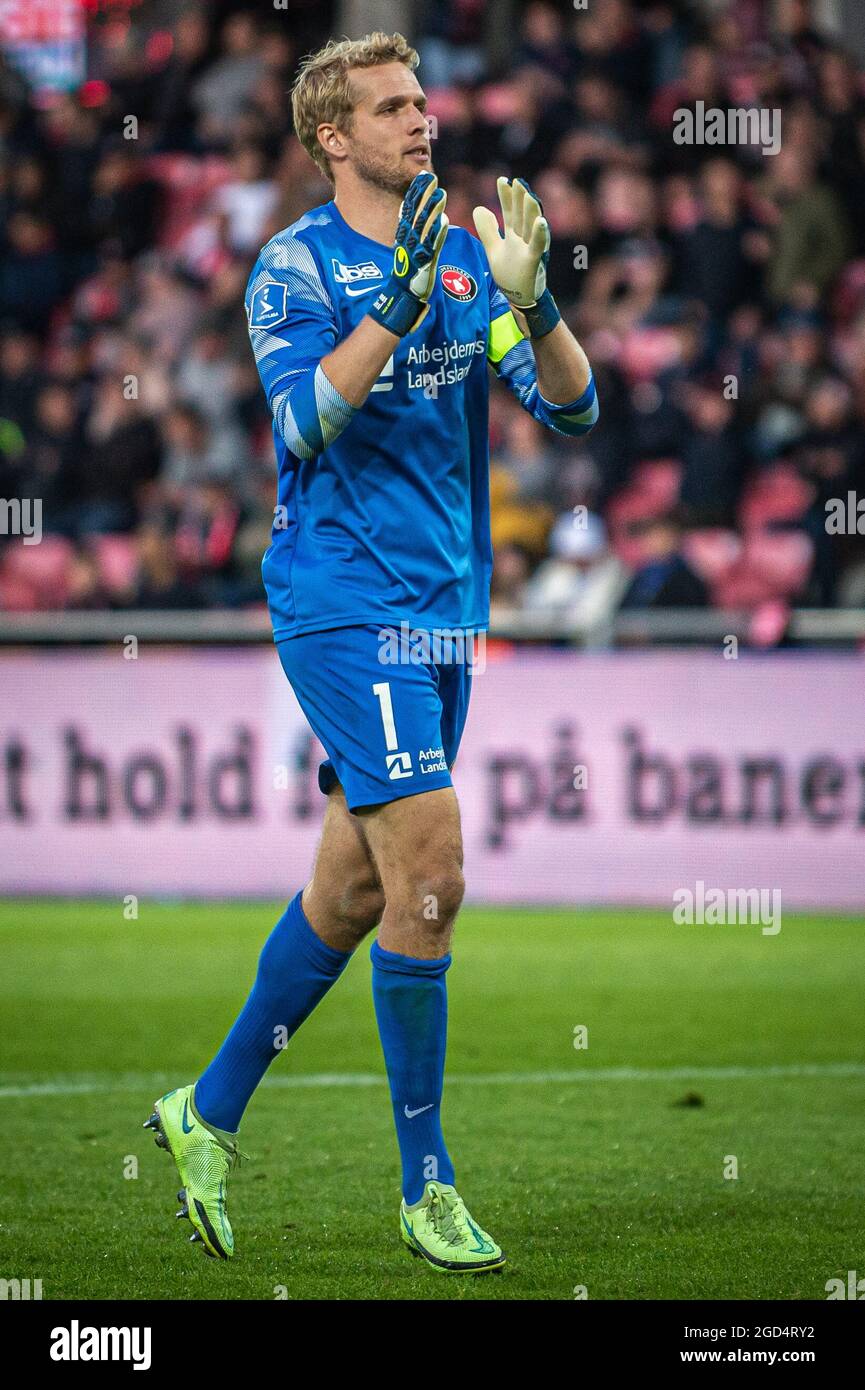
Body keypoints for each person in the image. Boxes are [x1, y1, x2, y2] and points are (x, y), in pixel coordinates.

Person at [145, 29, 598, 1274]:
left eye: (422, 103)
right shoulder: (292, 270)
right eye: (392, 108)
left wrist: (532, 298)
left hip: (448, 610)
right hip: (342, 603)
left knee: (353, 889)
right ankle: (427, 1185)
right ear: (331, 137)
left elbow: (573, 401)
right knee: (434, 867)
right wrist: (395, 301)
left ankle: (206, 1111)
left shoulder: (458, 255)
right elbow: (305, 419)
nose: (422, 123)